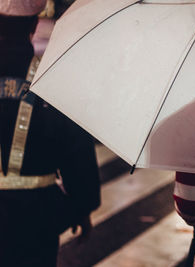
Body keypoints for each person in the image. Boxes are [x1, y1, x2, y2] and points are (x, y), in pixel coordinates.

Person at [0, 1, 101, 266]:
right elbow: (77, 149)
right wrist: (82, 206)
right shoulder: (51, 80)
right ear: (35, 24)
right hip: (36, 218)